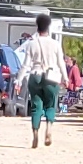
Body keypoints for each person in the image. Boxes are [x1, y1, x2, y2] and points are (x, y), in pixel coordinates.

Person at [15, 12, 69, 148]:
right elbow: (61, 62)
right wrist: (65, 78)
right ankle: (49, 128)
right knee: (51, 105)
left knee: (36, 106)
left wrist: (19, 80)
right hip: (52, 77)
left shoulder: (31, 43)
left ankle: (35, 133)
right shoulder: (55, 44)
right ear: (48, 26)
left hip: (35, 75)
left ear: (37, 26)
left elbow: (26, 64)